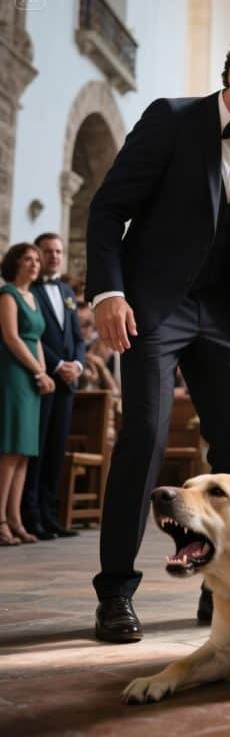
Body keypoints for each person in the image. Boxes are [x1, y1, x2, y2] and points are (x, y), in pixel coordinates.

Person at [85, 28, 230, 642]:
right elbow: (108, 209)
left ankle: (223, 587)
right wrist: (109, 292)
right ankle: (116, 593)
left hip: (223, 315)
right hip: (155, 307)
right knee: (146, 437)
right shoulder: (171, 120)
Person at [22, 233, 85, 540]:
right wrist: (59, 365)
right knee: (38, 450)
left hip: (67, 385)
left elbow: (78, 338)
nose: (55, 256)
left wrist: (78, 365)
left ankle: (51, 515)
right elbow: (33, 337)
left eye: (58, 251)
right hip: (42, 381)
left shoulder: (66, 292)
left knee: (57, 450)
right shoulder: (29, 290)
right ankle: (31, 515)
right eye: (48, 251)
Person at [0, 244, 56, 545]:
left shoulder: (32, 297)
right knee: (10, 450)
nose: (34, 264)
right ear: (15, 263)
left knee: (24, 453)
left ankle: (16, 520)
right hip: (13, 375)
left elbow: (36, 339)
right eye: (28, 259)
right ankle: (0, 521)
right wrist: (38, 371)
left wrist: (44, 372)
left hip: (33, 375)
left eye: (37, 259)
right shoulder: (7, 294)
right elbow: (11, 337)